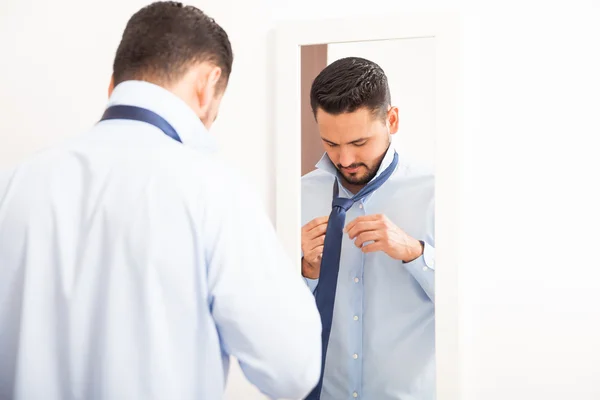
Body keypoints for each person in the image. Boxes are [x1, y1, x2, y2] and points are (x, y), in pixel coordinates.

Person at [0, 2, 322, 399]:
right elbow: (293, 370)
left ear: (112, 85)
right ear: (208, 84)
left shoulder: (14, 184)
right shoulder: (214, 189)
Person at [301, 57, 435, 400]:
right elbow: (271, 312)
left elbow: (472, 306)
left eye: (359, 143)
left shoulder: (436, 195)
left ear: (392, 120)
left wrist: (416, 253)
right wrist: (303, 270)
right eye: (331, 144)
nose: (344, 159)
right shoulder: (299, 196)